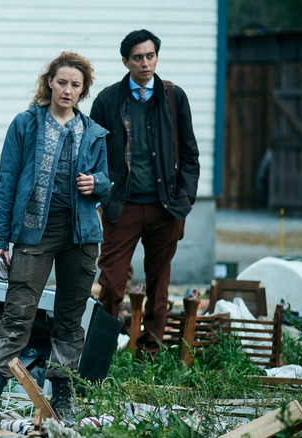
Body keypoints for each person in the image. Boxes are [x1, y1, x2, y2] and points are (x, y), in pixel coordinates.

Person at [0, 51, 110, 430]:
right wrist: (0, 238)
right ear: (50, 82)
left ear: (83, 91)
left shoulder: (94, 132)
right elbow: (7, 182)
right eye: (61, 82)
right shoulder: (25, 125)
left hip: (81, 235)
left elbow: (107, 183)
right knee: (18, 313)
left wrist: (96, 183)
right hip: (35, 231)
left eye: (75, 85)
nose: (67, 90)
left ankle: (62, 399)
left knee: (69, 320)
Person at [90, 30, 200, 359]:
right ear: (125, 61)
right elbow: (92, 155)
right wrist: (102, 196)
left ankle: (148, 356)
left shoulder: (173, 97)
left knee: (159, 286)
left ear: (156, 57)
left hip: (164, 207)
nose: (145, 62)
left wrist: (186, 199)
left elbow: (190, 154)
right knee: (110, 283)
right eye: (137, 57)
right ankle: (102, 355)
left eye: (150, 56)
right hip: (120, 207)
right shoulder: (108, 100)